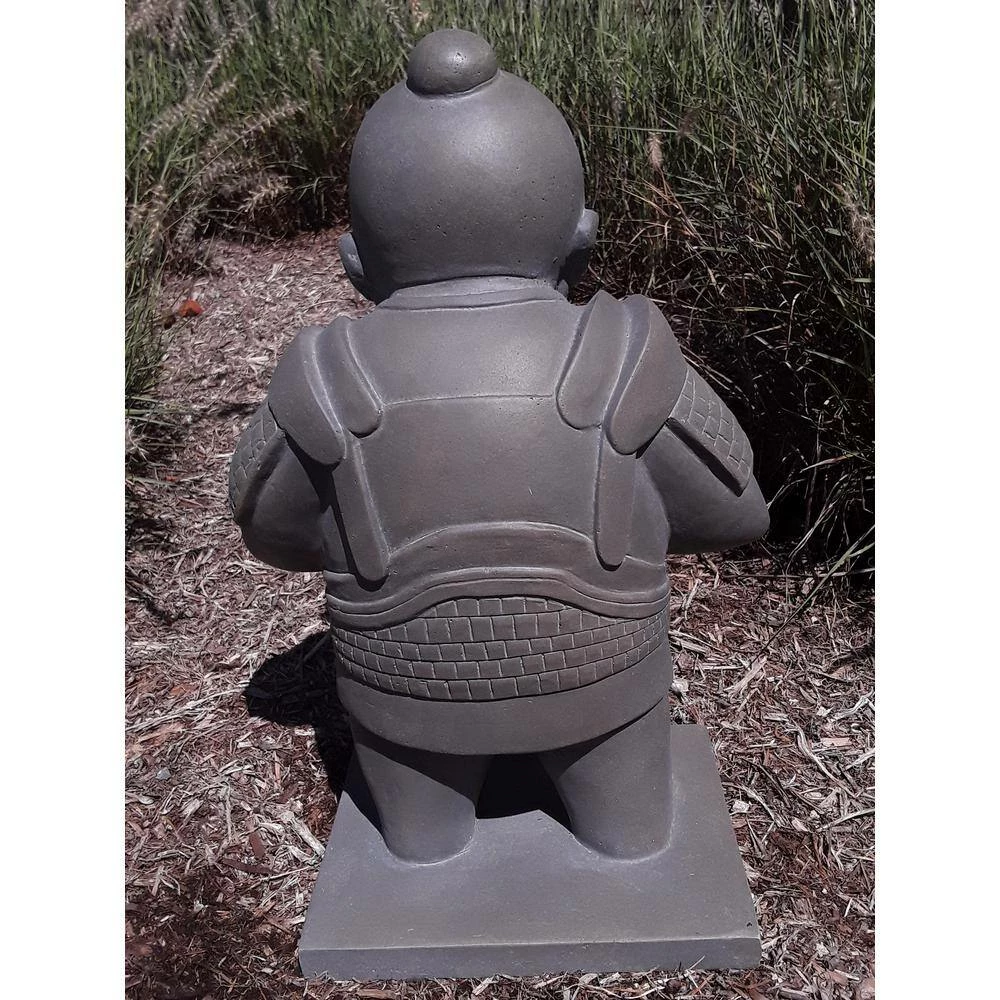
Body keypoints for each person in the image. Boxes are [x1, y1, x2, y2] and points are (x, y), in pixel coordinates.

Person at [230, 29, 769, 864]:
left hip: (402, 697)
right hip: (604, 687)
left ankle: (426, 843)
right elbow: (736, 514)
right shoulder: (626, 358)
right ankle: (624, 837)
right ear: (580, 236)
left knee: (418, 853)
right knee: (634, 840)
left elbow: (267, 529)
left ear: (354, 262)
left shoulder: (325, 378)